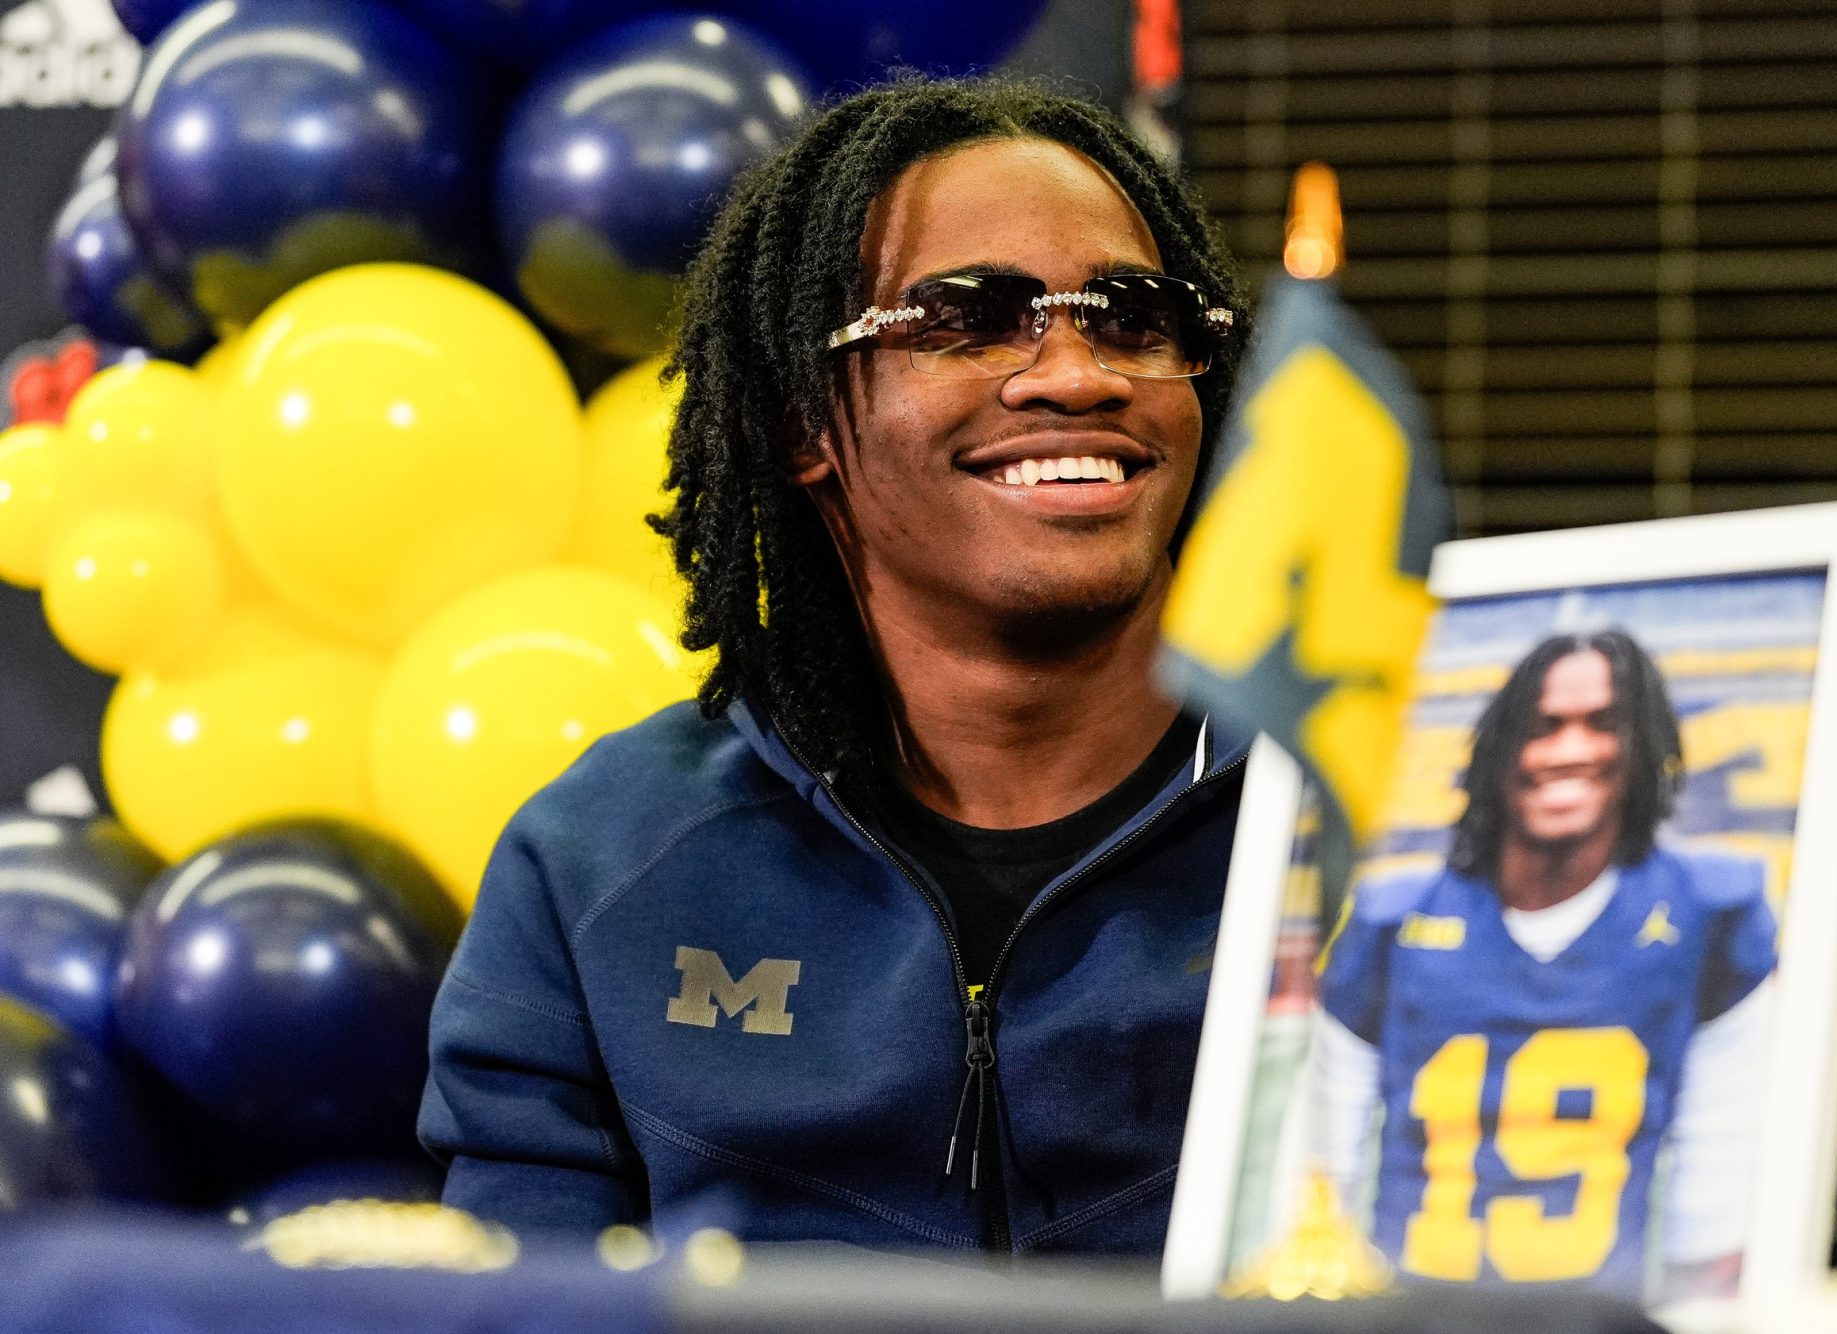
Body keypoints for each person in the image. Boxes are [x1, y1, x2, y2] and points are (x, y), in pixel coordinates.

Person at [418, 77, 1252, 1254]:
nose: (1076, 374)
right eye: (966, 317)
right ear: (801, 421)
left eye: (1131, 318)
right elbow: (519, 1310)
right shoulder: (599, 861)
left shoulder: (1367, 825)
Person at [1314, 629, 1780, 1301]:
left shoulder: (1709, 910)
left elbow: (1716, 1193)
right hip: (1412, 1312)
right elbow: (1322, 1174)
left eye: (1602, 724)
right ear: (1498, 748)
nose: (1569, 750)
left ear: (1644, 744)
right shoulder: (1392, 918)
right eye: (1542, 727)